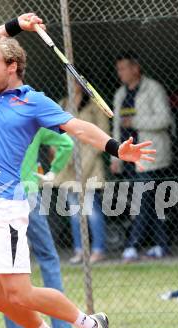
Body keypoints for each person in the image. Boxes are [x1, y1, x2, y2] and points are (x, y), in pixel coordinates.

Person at [0, 13, 155, 328]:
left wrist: (117, 148)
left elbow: (79, 127)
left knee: (18, 292)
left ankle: (89, 325)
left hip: (5, 206)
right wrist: (17, 23)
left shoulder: (32, 101)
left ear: (12, 67)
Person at [4, 127, 74, 328]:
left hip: (3, 197)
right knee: (48, 258)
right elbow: (68, 144)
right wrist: (53, 171)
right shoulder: (34, 122)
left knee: (10, 267)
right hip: (29, 194)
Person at [111, 52, 174, 262]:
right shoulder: (120, 94)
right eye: (118, 69)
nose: (120, 73)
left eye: (123, 68)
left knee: (143, 200)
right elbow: (116, 127)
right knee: (152, 202)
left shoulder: (153, 88)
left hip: (150, 155)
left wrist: (135, 122)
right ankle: (161, 245)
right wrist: (116, 156)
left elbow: (164, 119)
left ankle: (132, 245)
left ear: (135, 68)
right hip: (129, 156)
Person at [55, 83, 110, 265]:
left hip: (90, 163)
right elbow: (53, 132)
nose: (71, 82)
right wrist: (57, 153)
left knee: (91, 209)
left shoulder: (94, 104)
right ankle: (80, 250)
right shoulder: (62, 104)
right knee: (74, 211)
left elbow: (104, 134)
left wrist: (89, 158)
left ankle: (98, 249)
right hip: (68, 165)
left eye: (74, 79)